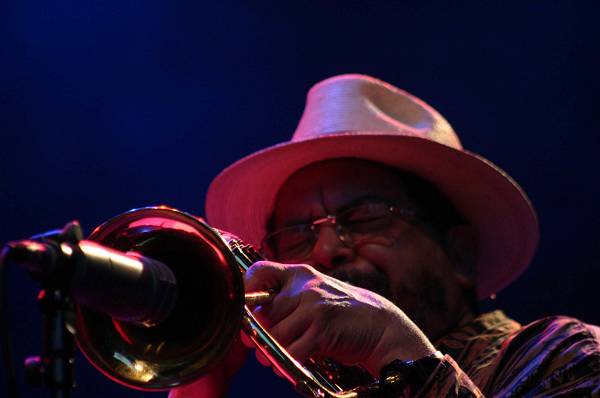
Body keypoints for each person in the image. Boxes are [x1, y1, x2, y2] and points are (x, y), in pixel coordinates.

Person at [170, 74, 600, 397]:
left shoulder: (567, 353)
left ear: (460, 253)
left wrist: (391, 345)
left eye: (362, 216)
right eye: (296, 235)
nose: (324, 250)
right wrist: (199, 379)